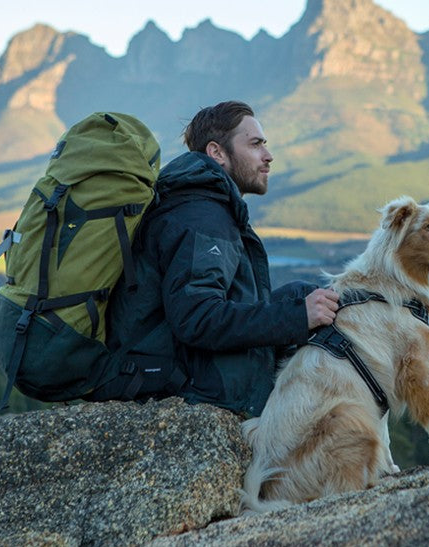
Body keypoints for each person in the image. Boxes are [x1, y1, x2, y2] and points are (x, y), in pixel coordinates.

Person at [100, 100, 339, 417]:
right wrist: (297, 318)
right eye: (255, 144)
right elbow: (197, 318)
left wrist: (298, 309)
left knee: (302, 294)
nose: (268, 156)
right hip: (182, 388)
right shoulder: (202, 217)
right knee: (308, 310)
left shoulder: (203, 204)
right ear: (217, 153)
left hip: (177, 367)